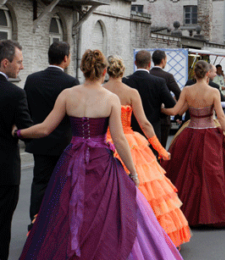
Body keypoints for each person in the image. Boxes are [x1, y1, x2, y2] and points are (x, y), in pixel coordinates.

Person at [18, 49, 182, 260]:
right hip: (102, 162)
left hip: (72, 160)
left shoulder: (68, 95)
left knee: (65, 210)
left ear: (82, 69)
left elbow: (44, 129)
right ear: (104, 70)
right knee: (106, 211)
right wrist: (133, 172)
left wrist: (19, 132)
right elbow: (119, 139)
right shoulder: (111, 98)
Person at [161, 61, 225, 226]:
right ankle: (216, 212)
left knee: (187, 172)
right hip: (210, 135)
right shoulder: (214, 91)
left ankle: (186, 212)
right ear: (208, 74)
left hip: (190, 134)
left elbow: (175, 112)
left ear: (195, 73)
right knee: (215, 174)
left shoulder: (187, 90)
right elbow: (221, 116)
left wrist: (162, 109)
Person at [103, 55, 191, 247]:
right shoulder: (131, 92)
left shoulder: (100, 91)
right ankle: (147, 237)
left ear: (106, 70)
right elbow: (144, 123)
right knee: (145, 190)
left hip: (104, 143)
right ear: (123, 70)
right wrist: (159, 148)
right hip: (130, 141)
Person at [24, 42, 80, 229]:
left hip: (39, 142)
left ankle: (35, 222)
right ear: (65, 58)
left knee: (39, 183)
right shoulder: (71, 83)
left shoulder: (32, 79)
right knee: (62, 184)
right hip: (63, 144)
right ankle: (57, 224)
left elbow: (27, 110)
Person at [0, 40, 33, 260]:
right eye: (19, 62)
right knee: (2, 227)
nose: (21, 67)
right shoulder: (14, 93)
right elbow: (27, 128)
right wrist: (18, 132)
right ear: (5, 63)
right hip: (4, 172)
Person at [123, 50, 175, 154]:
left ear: (135, 63)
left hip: (132, 129)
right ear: (149, 64)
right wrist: (160, 106)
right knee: (152, 161)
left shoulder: (126, 81)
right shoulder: (159, 82)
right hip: (153, 128)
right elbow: (171, 104)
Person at [149, 50, 181, 148]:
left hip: (146, 117)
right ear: (163, 60)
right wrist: (175, 109)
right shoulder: (167, 76)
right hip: (163, 118)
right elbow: (179, 93)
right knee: (161, 149)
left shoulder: (147, 74)